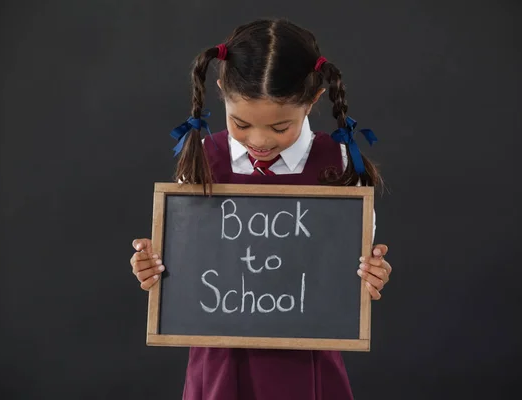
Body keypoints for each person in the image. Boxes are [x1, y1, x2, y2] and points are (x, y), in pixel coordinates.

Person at [130, 18, 393, 400]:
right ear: (221, 93)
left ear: (313, 100)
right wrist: (154, 268)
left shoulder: (338, 165)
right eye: (241, 123)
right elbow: (185, 266)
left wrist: (370, 275)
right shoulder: (204, 160)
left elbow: (348, 276)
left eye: (280, 127)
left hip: (307, 368)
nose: (260, 140)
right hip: (219, 367)